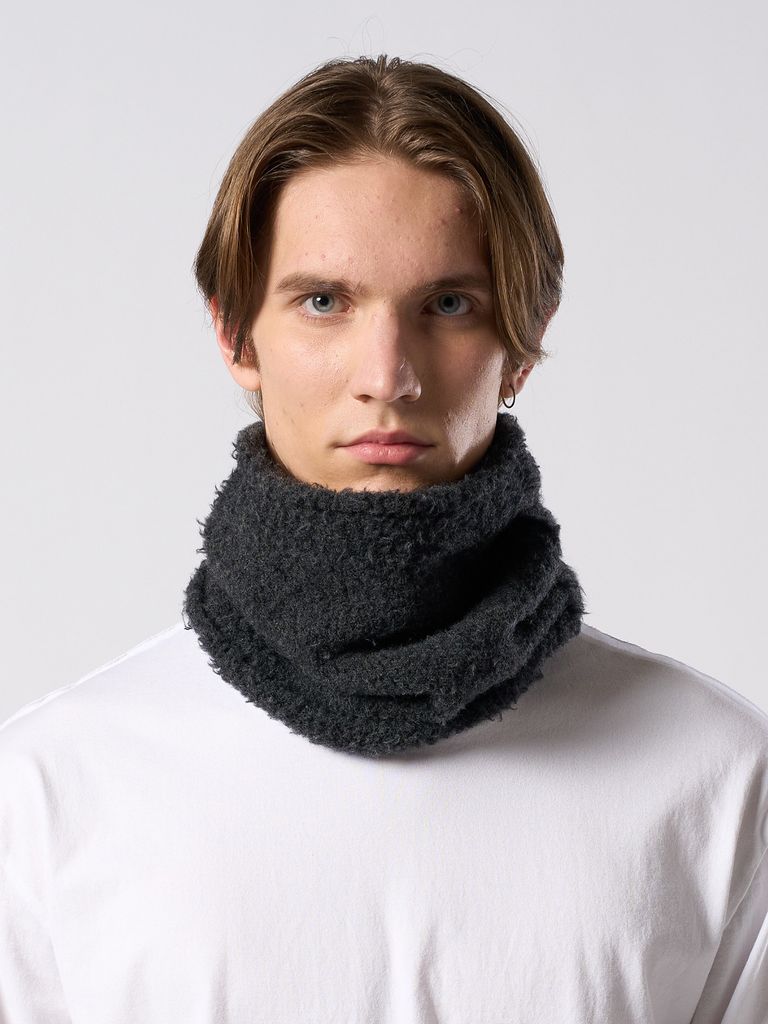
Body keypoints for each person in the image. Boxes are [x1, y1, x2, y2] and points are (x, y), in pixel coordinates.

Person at [1, 54, 766, 1023]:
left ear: (523, 341)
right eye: (324, 301)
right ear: (235, 334)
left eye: (447, 305)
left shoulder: (716, 780)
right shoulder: (52, 791)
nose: (387, 374)